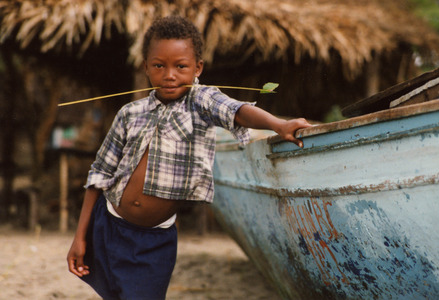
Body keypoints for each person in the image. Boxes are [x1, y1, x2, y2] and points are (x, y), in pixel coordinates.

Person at [67, 15, 312, 300]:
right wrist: (79, 236)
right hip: (107, 224)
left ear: (197, 68)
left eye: (180, 66)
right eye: (159, 66)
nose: (169, 75)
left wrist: (278, 125)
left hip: (152, 241)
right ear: (146, 67)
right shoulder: (129, 114)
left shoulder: (201, 102)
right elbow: (100, 174)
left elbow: (237, 110)